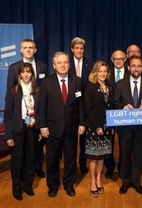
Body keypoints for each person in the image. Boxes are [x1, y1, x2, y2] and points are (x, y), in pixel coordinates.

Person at [38, 52, 86, 197]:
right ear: (54, 65)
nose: (63, 65)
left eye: (65, 62)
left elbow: (80, 104)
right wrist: (43, 126)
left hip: (71, 127)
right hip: (52, 128)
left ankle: (69, 184)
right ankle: (52, 185)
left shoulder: (77, 81)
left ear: (69, 64)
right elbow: (42, 107)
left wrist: (82, 123)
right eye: (60, 63)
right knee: (52, 159)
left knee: (71, 159)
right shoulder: (46, 82)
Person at [114, 55, 142, 195]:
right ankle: (125, 182)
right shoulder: (120, 84)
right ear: (128, 67)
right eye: (133, 66)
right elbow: (115, 103)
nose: (136, 68)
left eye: (139, 66)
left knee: (138, 157)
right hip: (125, 128)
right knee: (125, 156)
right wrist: (124, 106)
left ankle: (136, 182)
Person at [7, 38, 48, 178]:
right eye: (26, 47)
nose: (29, 50)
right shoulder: (14, 67)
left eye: (31, 47)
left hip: (37, 114)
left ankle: (36, 167)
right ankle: (23, 173)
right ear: (21, 50)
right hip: (21, 116)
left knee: (36, 146)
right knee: (22, 150)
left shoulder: (43, 66)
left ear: (35, 50)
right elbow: (10, 91)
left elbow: (45, 90)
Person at [4, 63, 39, 200]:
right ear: (19, 74)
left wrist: (41, 128)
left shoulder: (37, 91)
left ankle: (28, 185)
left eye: (28, 72)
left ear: (32, 74)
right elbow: (7, 116)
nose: (26, 74)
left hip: (32, 128)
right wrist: (8, 135)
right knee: (17, 160)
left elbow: (41, 112)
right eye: (23, 72)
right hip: (17, 130)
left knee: (30, 158)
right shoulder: (13, 91)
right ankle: (16, 188)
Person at [85, 61, 114, 197]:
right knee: (94, 156)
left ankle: (98, 179)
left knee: (102, 156)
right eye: (100, 71)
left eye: (104, 71)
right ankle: (92, 181)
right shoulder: (90, 87)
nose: (102, 74)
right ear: (95, 72)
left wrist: (111, 125)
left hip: (107, 127)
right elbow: (88, 109)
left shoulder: (109, 87)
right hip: (94, 128)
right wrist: (97, 127)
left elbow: (112, 107)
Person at [69, 37, 95, 175]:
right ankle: (71, 165)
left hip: (86, 105)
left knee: (84, 138)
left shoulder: (90, 64)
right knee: (71, 139)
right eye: (77, 48)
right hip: (71, 106)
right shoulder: (66, 63)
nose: (79, 50)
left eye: (82, 48)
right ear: (72, 49)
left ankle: (83, 163)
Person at [105, 50, 130, 179]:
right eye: (116, 59)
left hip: (125, 114)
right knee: (108, 141)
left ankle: (122, 167)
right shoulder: (105, 74)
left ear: (125, 59)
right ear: (112, 59)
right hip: (109, 113)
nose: (118, 61)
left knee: (124, 142)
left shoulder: (131, 73)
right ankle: (109, 167)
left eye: (121, 58)